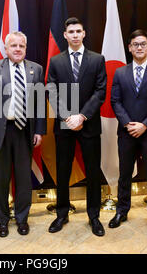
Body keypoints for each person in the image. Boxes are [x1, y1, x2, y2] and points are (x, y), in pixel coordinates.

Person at [0, 31, 46, 237]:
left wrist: (40, 131)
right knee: (0, 179)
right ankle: (2, 220)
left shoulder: (36, 69)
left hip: (25, 132)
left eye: (21, 46)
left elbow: (40, 102)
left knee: (24, 179)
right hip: (0, 132)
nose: (18, 49)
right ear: (6, 48)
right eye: (13, 46)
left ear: (26, 48)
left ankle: (22, 218)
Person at [46, 17, 107, 236]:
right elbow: (51, 90)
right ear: (65, 35)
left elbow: (100, 92)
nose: (74, 34)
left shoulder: (97, 59)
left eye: (78, 31)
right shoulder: (56, 61)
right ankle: (62, 214)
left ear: (84, 34)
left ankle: (94, 216)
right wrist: (67, 117)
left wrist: (81, 116)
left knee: (92, 172)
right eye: (70, 31)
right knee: (62, 171)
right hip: (64, 126)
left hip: (89, 125)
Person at [109, 29, 147, 234]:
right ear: (129, 48)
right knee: (124, 175)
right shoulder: (120, 72)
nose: (139, 47)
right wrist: (128, 124)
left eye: (143, 43)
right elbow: (115, 101)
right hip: (126, 133)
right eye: (135, 44)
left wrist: (144, 125)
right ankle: (121, 211)